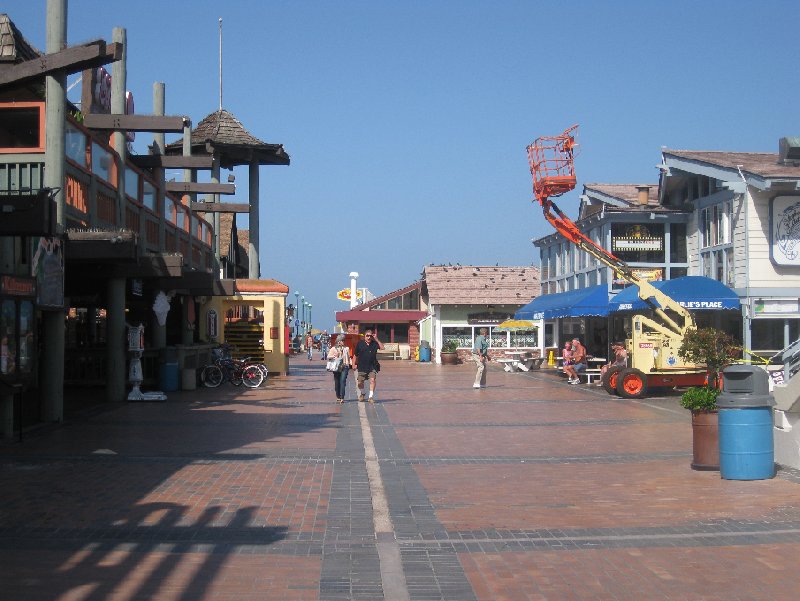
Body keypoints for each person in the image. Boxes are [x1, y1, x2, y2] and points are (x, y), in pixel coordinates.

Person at [353, 329, 383, 402]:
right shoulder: (360, 343)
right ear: (364, 336)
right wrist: (353, 364)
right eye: (367, 336)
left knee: (372, 380)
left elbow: (382, 348)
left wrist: (376, 339)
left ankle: (370, 397)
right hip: (362, 366)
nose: (369, 337)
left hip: (372, 366)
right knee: (360, 383)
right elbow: (355, 355)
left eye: (370, 336)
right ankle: (363, 393)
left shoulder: (374, 343)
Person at [328, 335, 352, 402]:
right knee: (337, 382)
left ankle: (342, 397)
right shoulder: (333, 348)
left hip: (345, 366)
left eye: (344, 340)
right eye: (342, 340)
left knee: (343, 381)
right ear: (339, 341)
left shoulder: (346, 348)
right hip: (336, 367)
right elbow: (328, 356)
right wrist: (334, 356)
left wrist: (350, 364)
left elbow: (348, 357)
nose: (344, 342)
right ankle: (338, 396)